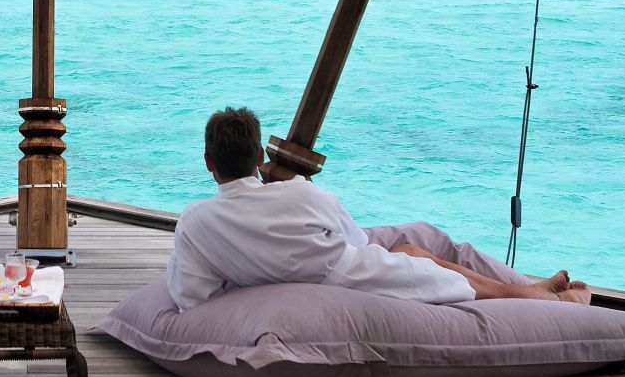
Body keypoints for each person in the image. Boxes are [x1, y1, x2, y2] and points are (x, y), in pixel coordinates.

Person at [164, 106, 591, 312]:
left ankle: (532, 288)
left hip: (312, 278)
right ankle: (541, 298)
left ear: (208, 162)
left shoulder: (196, 222)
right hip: (352, 278)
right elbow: (358, 241)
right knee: (418, 257)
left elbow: (192, 295)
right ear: (260, 156)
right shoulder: (301, 193)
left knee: (415, 247)